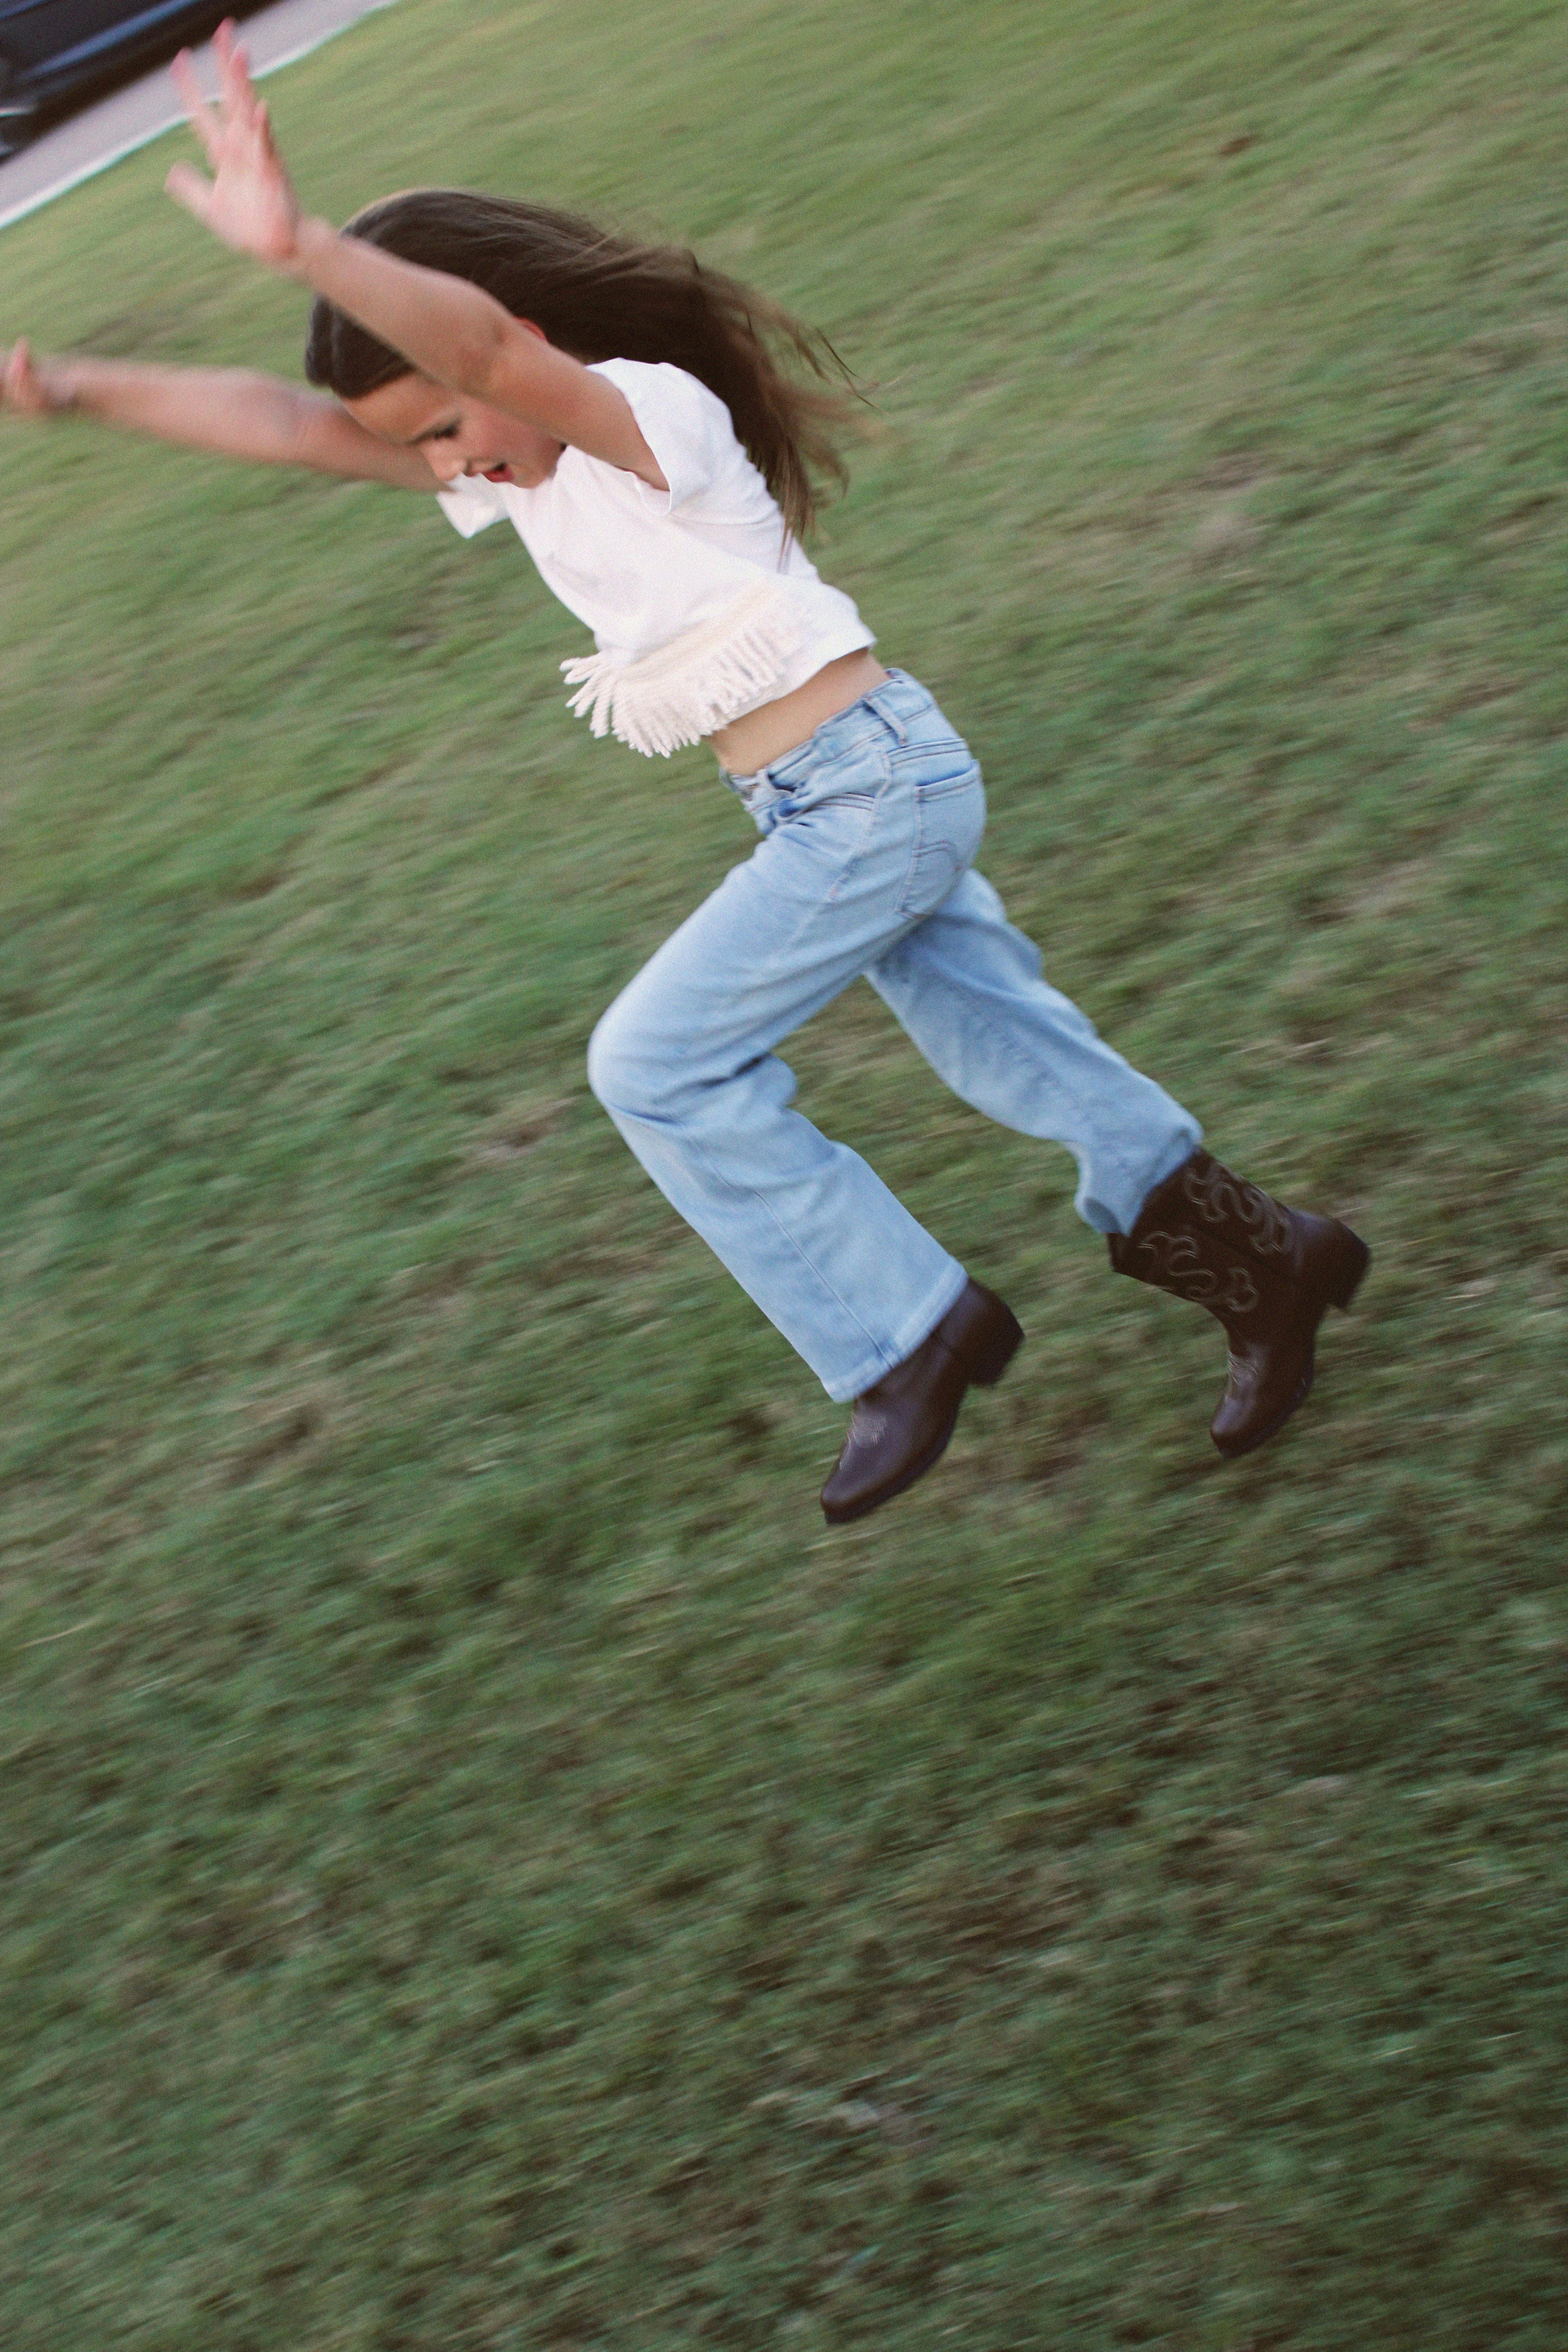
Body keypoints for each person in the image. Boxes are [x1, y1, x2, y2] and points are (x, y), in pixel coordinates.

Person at [1, 24, 1369, 1523]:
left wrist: (303, 246)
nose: (459, 460)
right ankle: (1265, 1260)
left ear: (501, 344)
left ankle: (906, 1332)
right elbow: (293, 425)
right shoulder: (509, 467)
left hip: (867, 792)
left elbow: (486, 356)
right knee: (1007, 1045)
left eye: (454, 426)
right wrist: (70, 384)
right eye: (432, 449)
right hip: (828, 798)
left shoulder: (641, 415)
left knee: (650, 1065)